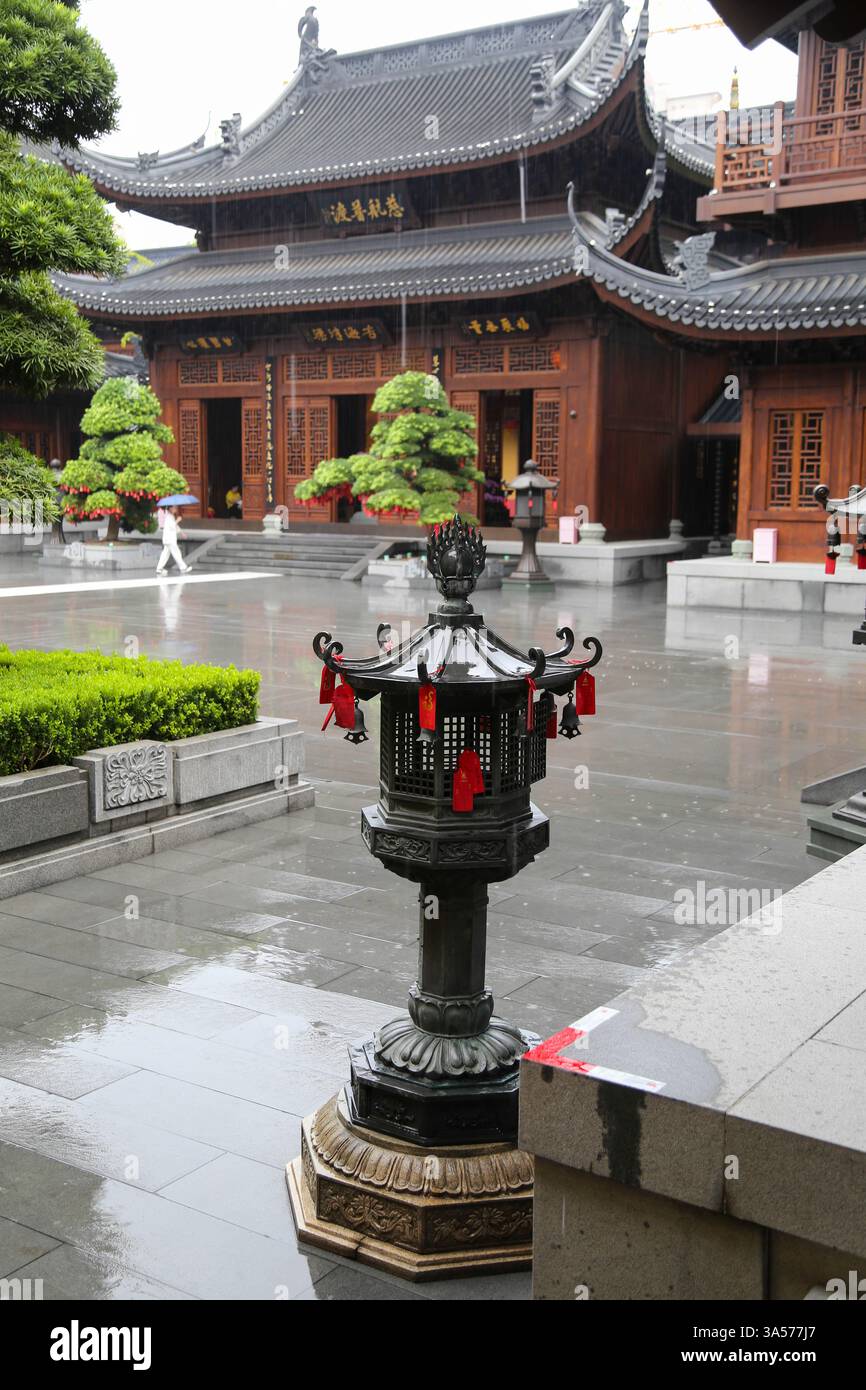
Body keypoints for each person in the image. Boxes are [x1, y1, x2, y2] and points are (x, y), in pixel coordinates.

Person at [156, 506, 192, 576]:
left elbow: (175, 526)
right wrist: (178, 520)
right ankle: (183, 568)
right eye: (174, 508)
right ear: (170, 509)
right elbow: (172, 526)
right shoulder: (168, 517)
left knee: (165, 554)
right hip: (170, 539)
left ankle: (159, 569)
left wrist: (182, 533)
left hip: (168, 539)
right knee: (176, 553)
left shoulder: (171, 516)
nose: (176, 509)